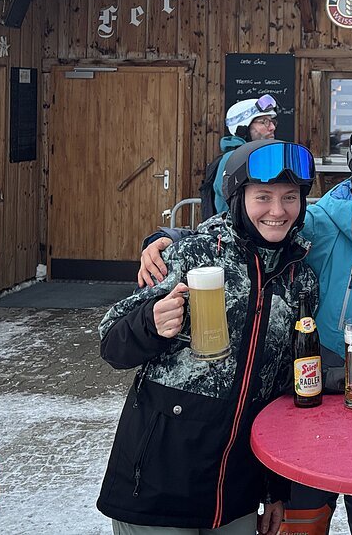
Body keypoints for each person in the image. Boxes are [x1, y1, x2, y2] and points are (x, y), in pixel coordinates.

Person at [137, 118, 352, 535]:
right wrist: (171, 238)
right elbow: (254, 228)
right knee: (304, 517)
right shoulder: (327, 222)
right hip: (321, 394)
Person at [98, 139, 319, 535]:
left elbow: (283, 390)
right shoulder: (193, 253)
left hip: (236, 491)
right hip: (157, 482)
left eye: (290, 197)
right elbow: (112, 344)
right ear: (237, 199)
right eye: (263, 196)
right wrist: (150, 322)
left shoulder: (299, 277)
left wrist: (275, 490)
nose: (278, 210)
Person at [203, 95, 279, 218]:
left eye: (272, 122)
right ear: (243, 128)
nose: (272, 127)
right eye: (264, 122)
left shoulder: (255, 157)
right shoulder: (235, 159)